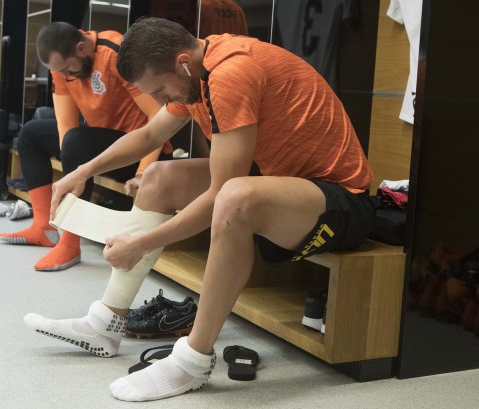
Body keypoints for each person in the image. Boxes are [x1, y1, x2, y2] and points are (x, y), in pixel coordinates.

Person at [23, 17, 374, 401]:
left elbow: (222, 192)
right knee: (157, 177)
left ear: (182, 63)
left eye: (159, 90)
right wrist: (81, 171)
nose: (160, 100)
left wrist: (141, 243)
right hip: (282, 181)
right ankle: (106, 324)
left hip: (341, 201)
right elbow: (149, 135)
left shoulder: (230, 73)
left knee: (235, 198)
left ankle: (193, 360)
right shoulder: (196, 72)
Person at [0, 22, 173, 272]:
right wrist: (75, 170)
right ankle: (43, 227)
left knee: (76, 141)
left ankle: (69, 243)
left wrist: (144, 171)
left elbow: (159, 116)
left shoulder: (117, 53)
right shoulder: (61, 69)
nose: (65, 75)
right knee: (30, 134)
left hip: (141, 150)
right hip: (101, 148)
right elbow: (66, 125)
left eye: (68, 69)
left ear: (81, 48)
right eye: (60, 72)